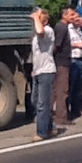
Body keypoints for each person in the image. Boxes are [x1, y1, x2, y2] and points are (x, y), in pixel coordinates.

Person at [30, 8, 57, 141]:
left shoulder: (48, 30)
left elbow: (40, 30)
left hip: (47, 71)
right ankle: (50, 126)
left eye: (39, 18)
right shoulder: (36, 36)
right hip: (38, 71)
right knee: (35, 102)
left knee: (42, 103)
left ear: (44, 21)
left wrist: (36, 17)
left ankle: (42, 133)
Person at [52, 7, 74, 127]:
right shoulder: (62, 28)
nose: (73, 16)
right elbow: (57, 45)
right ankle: (61, 117)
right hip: (62, 62)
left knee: (57, 90)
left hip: (62, 62)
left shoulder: (63, 27)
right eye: (71, 14)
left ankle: (53, 114)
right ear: (64, 15)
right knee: (62, 90)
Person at [67, 15, 82, 119]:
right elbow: (66, 43)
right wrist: (77, 45)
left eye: (80, 20)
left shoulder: (78, 30)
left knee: (78, 87)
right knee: (71, 86)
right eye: (77, 20)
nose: (79, 22)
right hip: (73, 58)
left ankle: (76, 109)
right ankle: (68, 111)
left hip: (81, 58)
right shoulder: (68, 30)